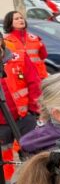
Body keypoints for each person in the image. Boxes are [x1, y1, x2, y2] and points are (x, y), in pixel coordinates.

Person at [0, 26, 43, 174]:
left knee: (32, 156)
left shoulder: (19, 57)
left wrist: (33, 110)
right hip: (1, 124)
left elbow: (34, 83)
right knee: (5, 160)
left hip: (24, 117)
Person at [4, 10, 48, 79]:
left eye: (21, 18)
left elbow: (43, 56)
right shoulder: (6, 41)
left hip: (39, 76)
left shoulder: (35, 38)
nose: (20, 20)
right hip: (19, 77)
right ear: (10, 23)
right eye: (16, 19)